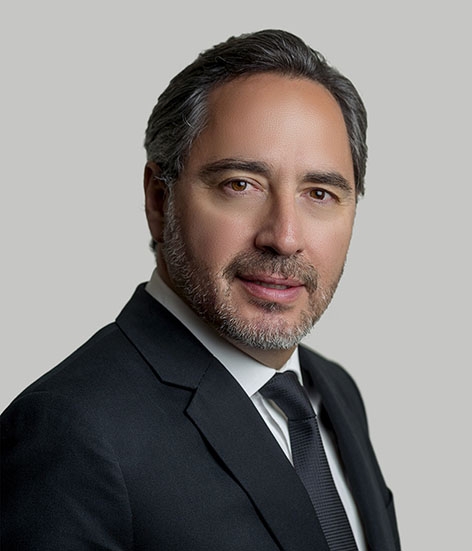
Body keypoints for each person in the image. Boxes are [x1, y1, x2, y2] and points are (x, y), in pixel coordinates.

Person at [1, 29, 401, 550]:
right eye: (240, 184)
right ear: (159, 199)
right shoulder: (71, 432)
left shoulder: (334, 393)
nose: (284, 237)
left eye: (320, 193)